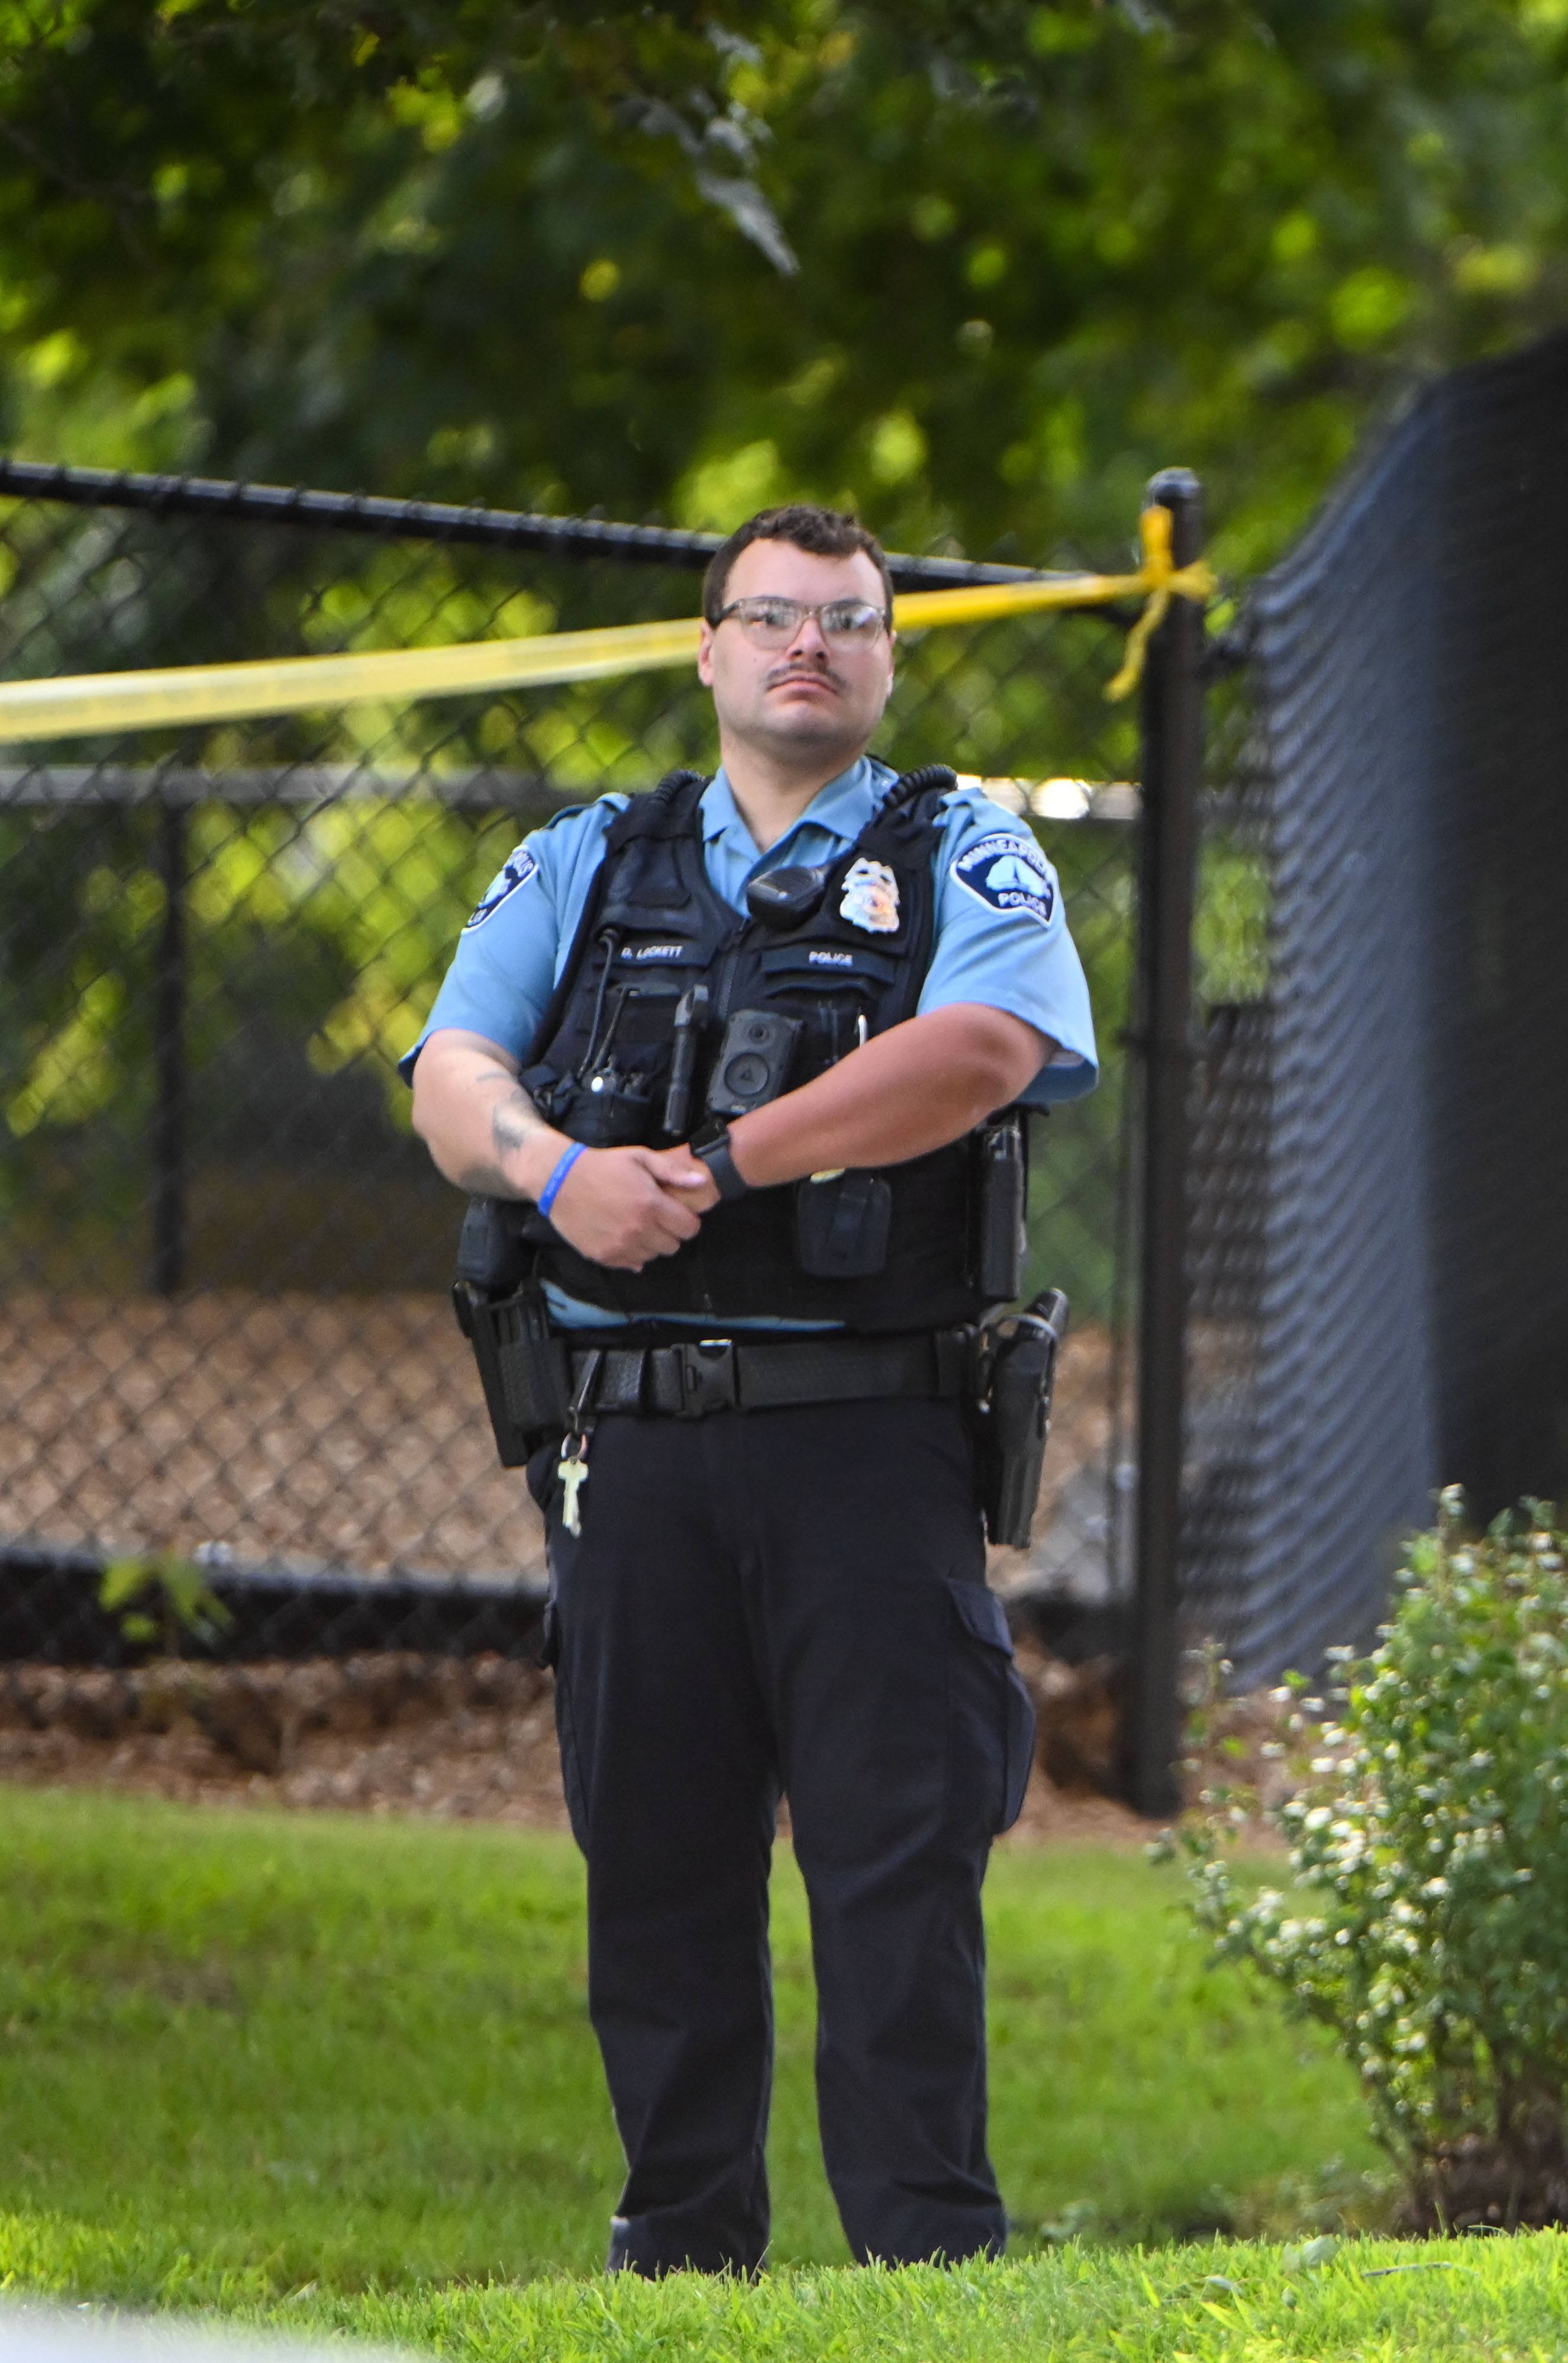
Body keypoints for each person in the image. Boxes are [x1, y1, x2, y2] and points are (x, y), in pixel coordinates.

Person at [404, 502, 1099, 2272]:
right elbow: (450, 1070)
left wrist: (714, 1165)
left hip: (868, 1437)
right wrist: (560, 1175)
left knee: (895, 1866)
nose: (811, 645)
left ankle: (926, 2255)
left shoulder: (964, 849)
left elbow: (984, 1050)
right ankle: (680, 2245)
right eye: (773, 616)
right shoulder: (586, 857)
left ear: (886, 657)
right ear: (707, 649)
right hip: (628, 1448)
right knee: (654, 1866)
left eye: (850, 622)